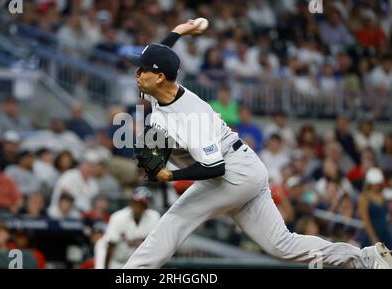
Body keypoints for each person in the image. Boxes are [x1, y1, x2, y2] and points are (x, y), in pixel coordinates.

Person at [121, 20, 392, 269]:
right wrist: (179, 31)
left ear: (158, 77)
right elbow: (160, 53)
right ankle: (366, 259)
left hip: (231, 172)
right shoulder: (158, 88)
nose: (136, 73)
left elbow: (214, 168)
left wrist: (170, 175)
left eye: (142, 69)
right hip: (247, 168)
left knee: (176, 220)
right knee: (282, 246)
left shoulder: (190, 116)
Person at [103, 187, 160, 269]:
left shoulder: (154, 217)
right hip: (119, 264)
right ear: (131, 203)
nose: (138, 206)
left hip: (143, 265)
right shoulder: (118, 217)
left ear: (146, 205)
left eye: (142, 204)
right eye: (136, 203)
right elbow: (110, 245)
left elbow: (157, 246)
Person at [358, 168, 392, 249]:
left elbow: (387, 215)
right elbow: (366, 221)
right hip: (371, 234)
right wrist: (373, 237)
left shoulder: (383, 195)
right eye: (374, 184)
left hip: (385, 232)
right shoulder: (364, 198)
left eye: (377, 183)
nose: (376, 186)